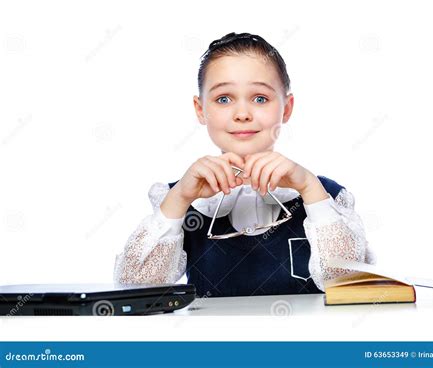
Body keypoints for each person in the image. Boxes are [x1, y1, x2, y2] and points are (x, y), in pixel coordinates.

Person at [113, 32, 376, 297]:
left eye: (260, 98)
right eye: (223, 99)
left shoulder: (324, 196)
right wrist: (179, 199)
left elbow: (353, 287)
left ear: (286, 108)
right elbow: (134, 290)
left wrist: (310, 189)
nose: (242, 114)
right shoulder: (181, 199)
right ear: (200, 109)